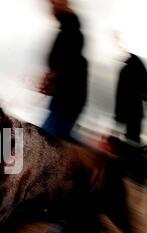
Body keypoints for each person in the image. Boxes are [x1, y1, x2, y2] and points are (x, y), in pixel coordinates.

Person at [39, 0, 88, 140]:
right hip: (67, 97)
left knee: (47, 140)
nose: (51, 8)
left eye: (54, 3)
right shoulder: (70, 30)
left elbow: (65, 63)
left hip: (68, 97)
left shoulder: (71, 31)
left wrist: (51, 76)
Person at [115, 52, 147, 144]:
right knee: (134, 135)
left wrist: (118, 113)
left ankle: (127, 150)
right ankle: (132, 151)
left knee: (130, 134)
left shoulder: (125, 71)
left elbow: (120, 94)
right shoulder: (139, 69)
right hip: (136, 110)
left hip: (126, 108)